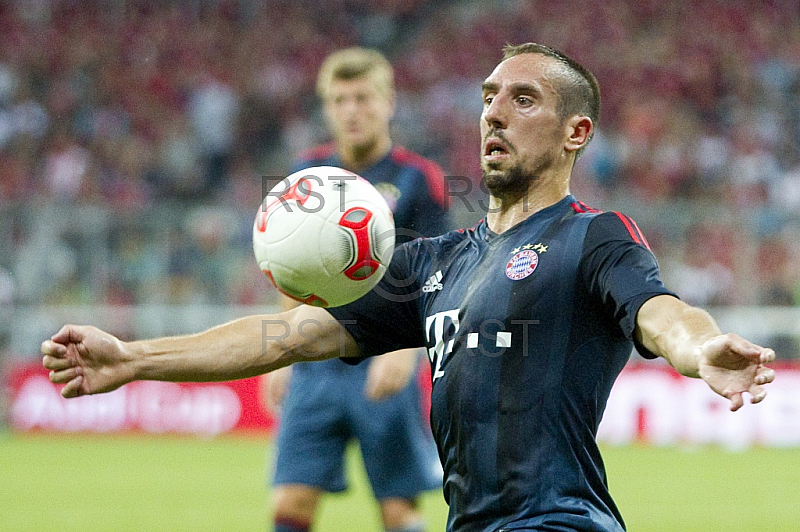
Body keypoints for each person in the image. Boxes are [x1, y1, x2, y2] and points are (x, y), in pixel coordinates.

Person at [42, 43, 776, 532]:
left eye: (523, 99)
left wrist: (702, 347)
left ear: (575, 131)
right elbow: (286, 335)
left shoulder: (595, 235)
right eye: (489, 96)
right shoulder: (437, 262)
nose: (493, 110)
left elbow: (661, 312)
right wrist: (135, 359)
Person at [264, 47, 449, 532]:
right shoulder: (306, 175)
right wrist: (281, 350)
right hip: (316, 359)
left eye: (363, 98)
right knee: (290, 503)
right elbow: (288, 266)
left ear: (388, 103)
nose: (352, 110)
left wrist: (407, 353)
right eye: (340, 99)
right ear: (327, 107)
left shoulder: (418, 177)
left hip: (384, 353)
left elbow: (433, 271)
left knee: (397, 510)